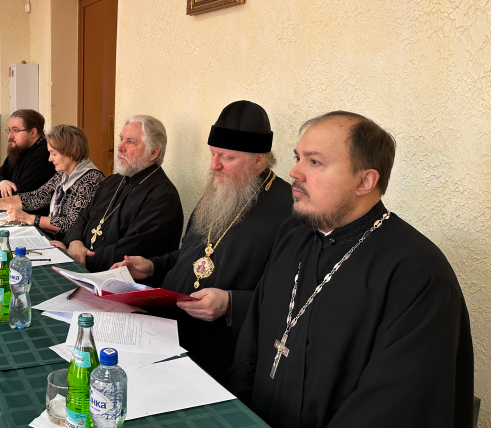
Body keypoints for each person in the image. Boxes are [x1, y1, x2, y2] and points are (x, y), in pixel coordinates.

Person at [226, 111, 474, 428]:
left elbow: (394, 408)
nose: (294, 172)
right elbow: (252, 342)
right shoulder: (293, 238)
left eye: (314, 162)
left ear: (365, 181)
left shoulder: (418, 275)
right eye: (298, 158)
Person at [111, 101, 294, 384]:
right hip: (168, 330)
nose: (214, 165)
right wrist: (152, 266)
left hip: (220, 352)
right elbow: (192, 256)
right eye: (212, 153)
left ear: (259, 159)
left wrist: (231, 303)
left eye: (227, 157)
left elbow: (289, 296)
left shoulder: (289, 210)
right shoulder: (219, 190)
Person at [54, 115, 184, 272]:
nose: (120, 147)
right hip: (84, 268)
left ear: (153, 153)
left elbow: (131, 251)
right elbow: (83, 216)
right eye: (121, 139)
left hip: (118, 280)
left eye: (130, 142)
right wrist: (75, 242)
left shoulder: (163, 197)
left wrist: (77, 258)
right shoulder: (113, 181)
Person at [0, 125, 104, 240]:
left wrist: (29, 218)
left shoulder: (91, 179)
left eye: (54, 153)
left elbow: (71, 224)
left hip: (71, 244)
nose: (50, 159)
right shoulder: (63, 174)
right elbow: (38, 197)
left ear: (73, 152)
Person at [0, 109, 56, 215]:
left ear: (33, 132)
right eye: (9, 130)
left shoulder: (44, 155)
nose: (10, 136)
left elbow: (19, 196)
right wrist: (1, 183)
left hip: (34, 219)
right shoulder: (19, 150)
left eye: (15, 130)